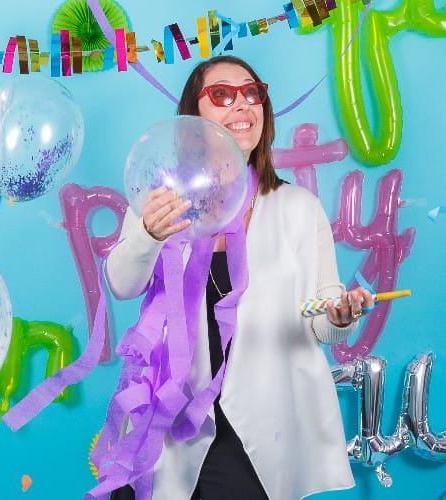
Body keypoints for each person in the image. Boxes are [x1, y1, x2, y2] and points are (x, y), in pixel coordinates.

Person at [103, 55, 374, 500]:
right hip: (169, 423)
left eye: (252, 92)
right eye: (222, 94)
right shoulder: (164, 200)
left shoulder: (298, 208)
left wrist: (341, 316)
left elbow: (324, 323)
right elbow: (122, 285)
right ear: (193, 117)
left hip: (257, 430)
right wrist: (149, 234)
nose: (243, 103)